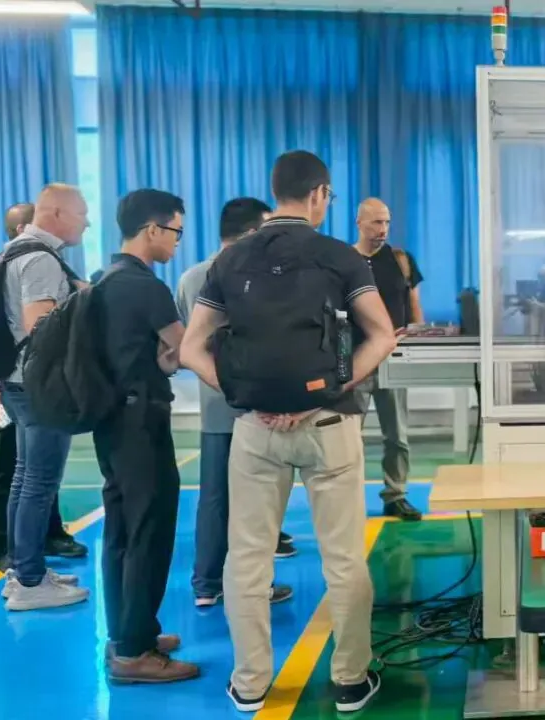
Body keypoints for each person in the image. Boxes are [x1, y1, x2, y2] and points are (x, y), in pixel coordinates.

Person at [181, 150, 397, 714]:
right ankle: (351, 678)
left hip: (254, 428)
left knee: (247, 558)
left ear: (274, 192)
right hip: (330, 425)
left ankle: (251, 681)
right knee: (343, 557)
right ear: (320, 194)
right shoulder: (339, 258)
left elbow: (191, 348)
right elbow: (382, 335)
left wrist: (241, 396)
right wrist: (332, 386)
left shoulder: (227, 262)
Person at [93, 189, 198, 684]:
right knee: (149, 532)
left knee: (120, 532)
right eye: (175, 230)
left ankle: (128, 632)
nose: (178, 240)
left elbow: (147, 356)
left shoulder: (103, 280)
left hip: (112, 422)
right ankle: (135, 654)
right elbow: (187, 348)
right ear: (153, 230)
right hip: (143, 424)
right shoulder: (146, 286)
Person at [176, 197, 295, 609]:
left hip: (214, 406)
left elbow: (183, 344)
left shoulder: (190, 277)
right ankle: (253, 587)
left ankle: (206, 584)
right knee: (255, 502)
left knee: (213, 498)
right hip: (255, 405)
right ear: (249, 233)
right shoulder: (252, 276)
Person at [0, 202, 87, 573]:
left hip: (16, 382)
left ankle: (30, 555)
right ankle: (20, 565)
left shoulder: (15, 259)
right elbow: (34, 326)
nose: (86, 221)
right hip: (27, 383)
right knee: (23, 473)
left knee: (29, 475)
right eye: (80, 212)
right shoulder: (34, 260)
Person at [354, 198, 424, 521]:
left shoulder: (401, 261)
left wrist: (417, 338)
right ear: (360, 223)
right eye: (376, 223)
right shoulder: (344, 262)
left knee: (397, 434)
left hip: (394, 360)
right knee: (349, 435)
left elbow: (414, 305)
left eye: (386, 222)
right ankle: (348, 497)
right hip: (356, 360)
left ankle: (395, 494)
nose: (382, 229)